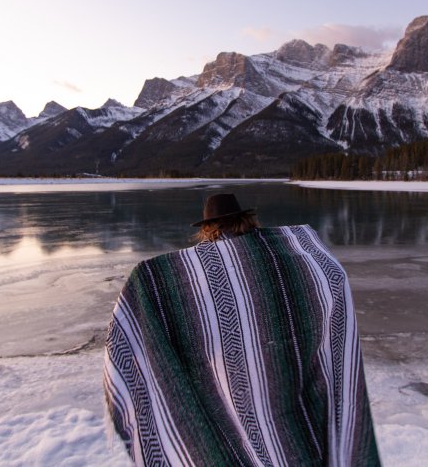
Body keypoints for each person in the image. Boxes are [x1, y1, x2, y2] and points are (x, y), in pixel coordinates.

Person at [104, 193, 380, 466]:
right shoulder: (288, 254)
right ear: (246, 220)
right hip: (290, 382)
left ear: (208, 228)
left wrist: (143, 286)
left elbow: (151, 318)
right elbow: (330, 276)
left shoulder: (195, 274)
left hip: (237, 390)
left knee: (244, 440)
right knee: (300, 439)